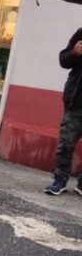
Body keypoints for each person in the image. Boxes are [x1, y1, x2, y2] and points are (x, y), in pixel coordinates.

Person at [44, 28, 82, 196]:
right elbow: (63, 60)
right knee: (66, 144)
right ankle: (60, 180)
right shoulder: (81, 34)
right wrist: (74, 53)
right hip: (76, 102)